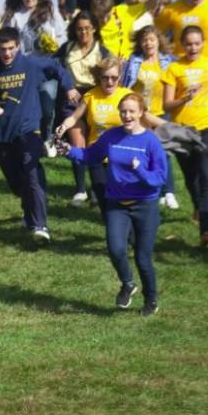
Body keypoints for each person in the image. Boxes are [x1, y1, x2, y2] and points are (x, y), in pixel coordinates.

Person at [60, 93, 167, 316]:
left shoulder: (150, 141)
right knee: (116, 248)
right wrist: (68, 151)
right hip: (117, 202)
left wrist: (139, 170)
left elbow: (159, 178)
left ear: (140, 113)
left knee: (142, 257)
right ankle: (128, 283)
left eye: (131, 111)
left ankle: (151, 299)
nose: (126, 116)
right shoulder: (111, 136)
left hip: (145, 205)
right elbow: (91, 155)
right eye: (123, 111)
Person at [0, 27, 80, 243]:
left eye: (11, 49)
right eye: (3, 49)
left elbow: (56, 67)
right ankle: (31, 212)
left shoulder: (31, 64)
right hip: (2, 135)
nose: (7, 54)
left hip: (30, 129)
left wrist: (68, 87)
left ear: (18, 46)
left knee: (31, 173)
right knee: (16, 183)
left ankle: (40, 226)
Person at [162, 25, 208, 246]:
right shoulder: (174, 68)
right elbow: (167, 104)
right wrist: (184, 98)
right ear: (182, 45)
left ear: (203, 43)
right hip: (182, 129)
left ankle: (206, 228)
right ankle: (197, 206)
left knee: (206, 176)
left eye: (196, 43)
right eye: (188, 43)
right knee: (191, 177)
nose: (192, 47)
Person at [55, 56, 133, 214]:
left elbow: (142, 119)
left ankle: (126, 227)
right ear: (99, 77)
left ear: (119, 77)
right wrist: (63, 125)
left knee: (123, 195)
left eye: (114, 78)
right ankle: (111, 222)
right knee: (101, 192)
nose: (109, 82)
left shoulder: (127, 96)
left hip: (121, 153)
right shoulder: (91, 96)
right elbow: (74, 117)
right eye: (105, 78)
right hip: (96, 153)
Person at [1, 0, 68, 151]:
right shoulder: (15, 16)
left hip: (48, 67)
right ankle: (30, 142)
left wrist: (53, 45)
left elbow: (63, 37)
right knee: (28, 108)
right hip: (25, 69)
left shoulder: (50, 13)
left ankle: (47, 138)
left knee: (47, 108)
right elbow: (7, 39)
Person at [53, 12, 113, 207]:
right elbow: (55, 67)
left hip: (95, 96)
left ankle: (98, 189)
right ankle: (80, 190)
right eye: (79, 29)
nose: (83, 32)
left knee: (95, 142)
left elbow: (110, 73)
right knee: (77, 143)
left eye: (87, 28)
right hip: (72, 97)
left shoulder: (102, 51)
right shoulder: (67, 48)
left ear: (94, 28)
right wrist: (67, 85)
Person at [121, 25, 179, 209]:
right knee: (146, 153)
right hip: (141, 114)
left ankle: (168, 192)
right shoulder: (135, 61)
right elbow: (125, 85)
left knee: (163, 152)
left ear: (158, 41)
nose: (148, 43)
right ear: (140, 43)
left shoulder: (168, 61)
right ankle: (152, 188)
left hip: (161, 111)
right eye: (144, 40)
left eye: (152, 39)